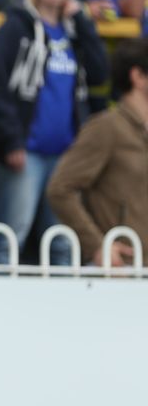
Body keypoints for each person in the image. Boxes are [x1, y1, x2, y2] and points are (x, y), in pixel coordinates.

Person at [0, 0, 108, 265]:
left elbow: (100, 72)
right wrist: (11, 142)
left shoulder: (74, 30)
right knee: (10, 235)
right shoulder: (16, 26)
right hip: (25, 152)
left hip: (66, 154)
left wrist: (83, 22)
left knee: (62, 240)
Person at [47, 38, 148, 266]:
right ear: (138, 76)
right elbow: (60, 188)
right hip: (120, 270)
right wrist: (98, 244)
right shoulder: (106, 127)